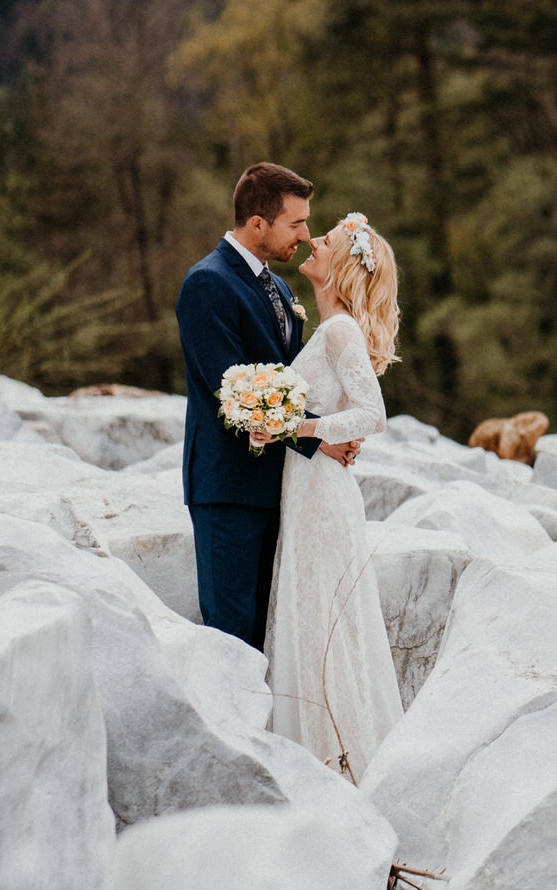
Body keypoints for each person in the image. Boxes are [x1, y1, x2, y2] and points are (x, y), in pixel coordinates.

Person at [176, 163, 361, 649]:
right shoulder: (207, 283)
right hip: (229, 489)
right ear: (258, 223)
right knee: (231, 637)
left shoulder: (278, 288)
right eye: (295, 223)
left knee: (269, 636)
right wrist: (320, 434)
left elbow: (293, 380)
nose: (305, 234)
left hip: (277, 487)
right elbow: (234, 392)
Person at [263, 212, 404, 783]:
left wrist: (293, 428)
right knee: (313, 620)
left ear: (341, 265)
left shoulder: (341, 329)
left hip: (322, 498)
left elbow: (373, 415)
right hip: (311, 488)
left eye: (327, 240)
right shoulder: (328, 328)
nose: (312, 241)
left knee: (322, 625)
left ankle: (333, 769)